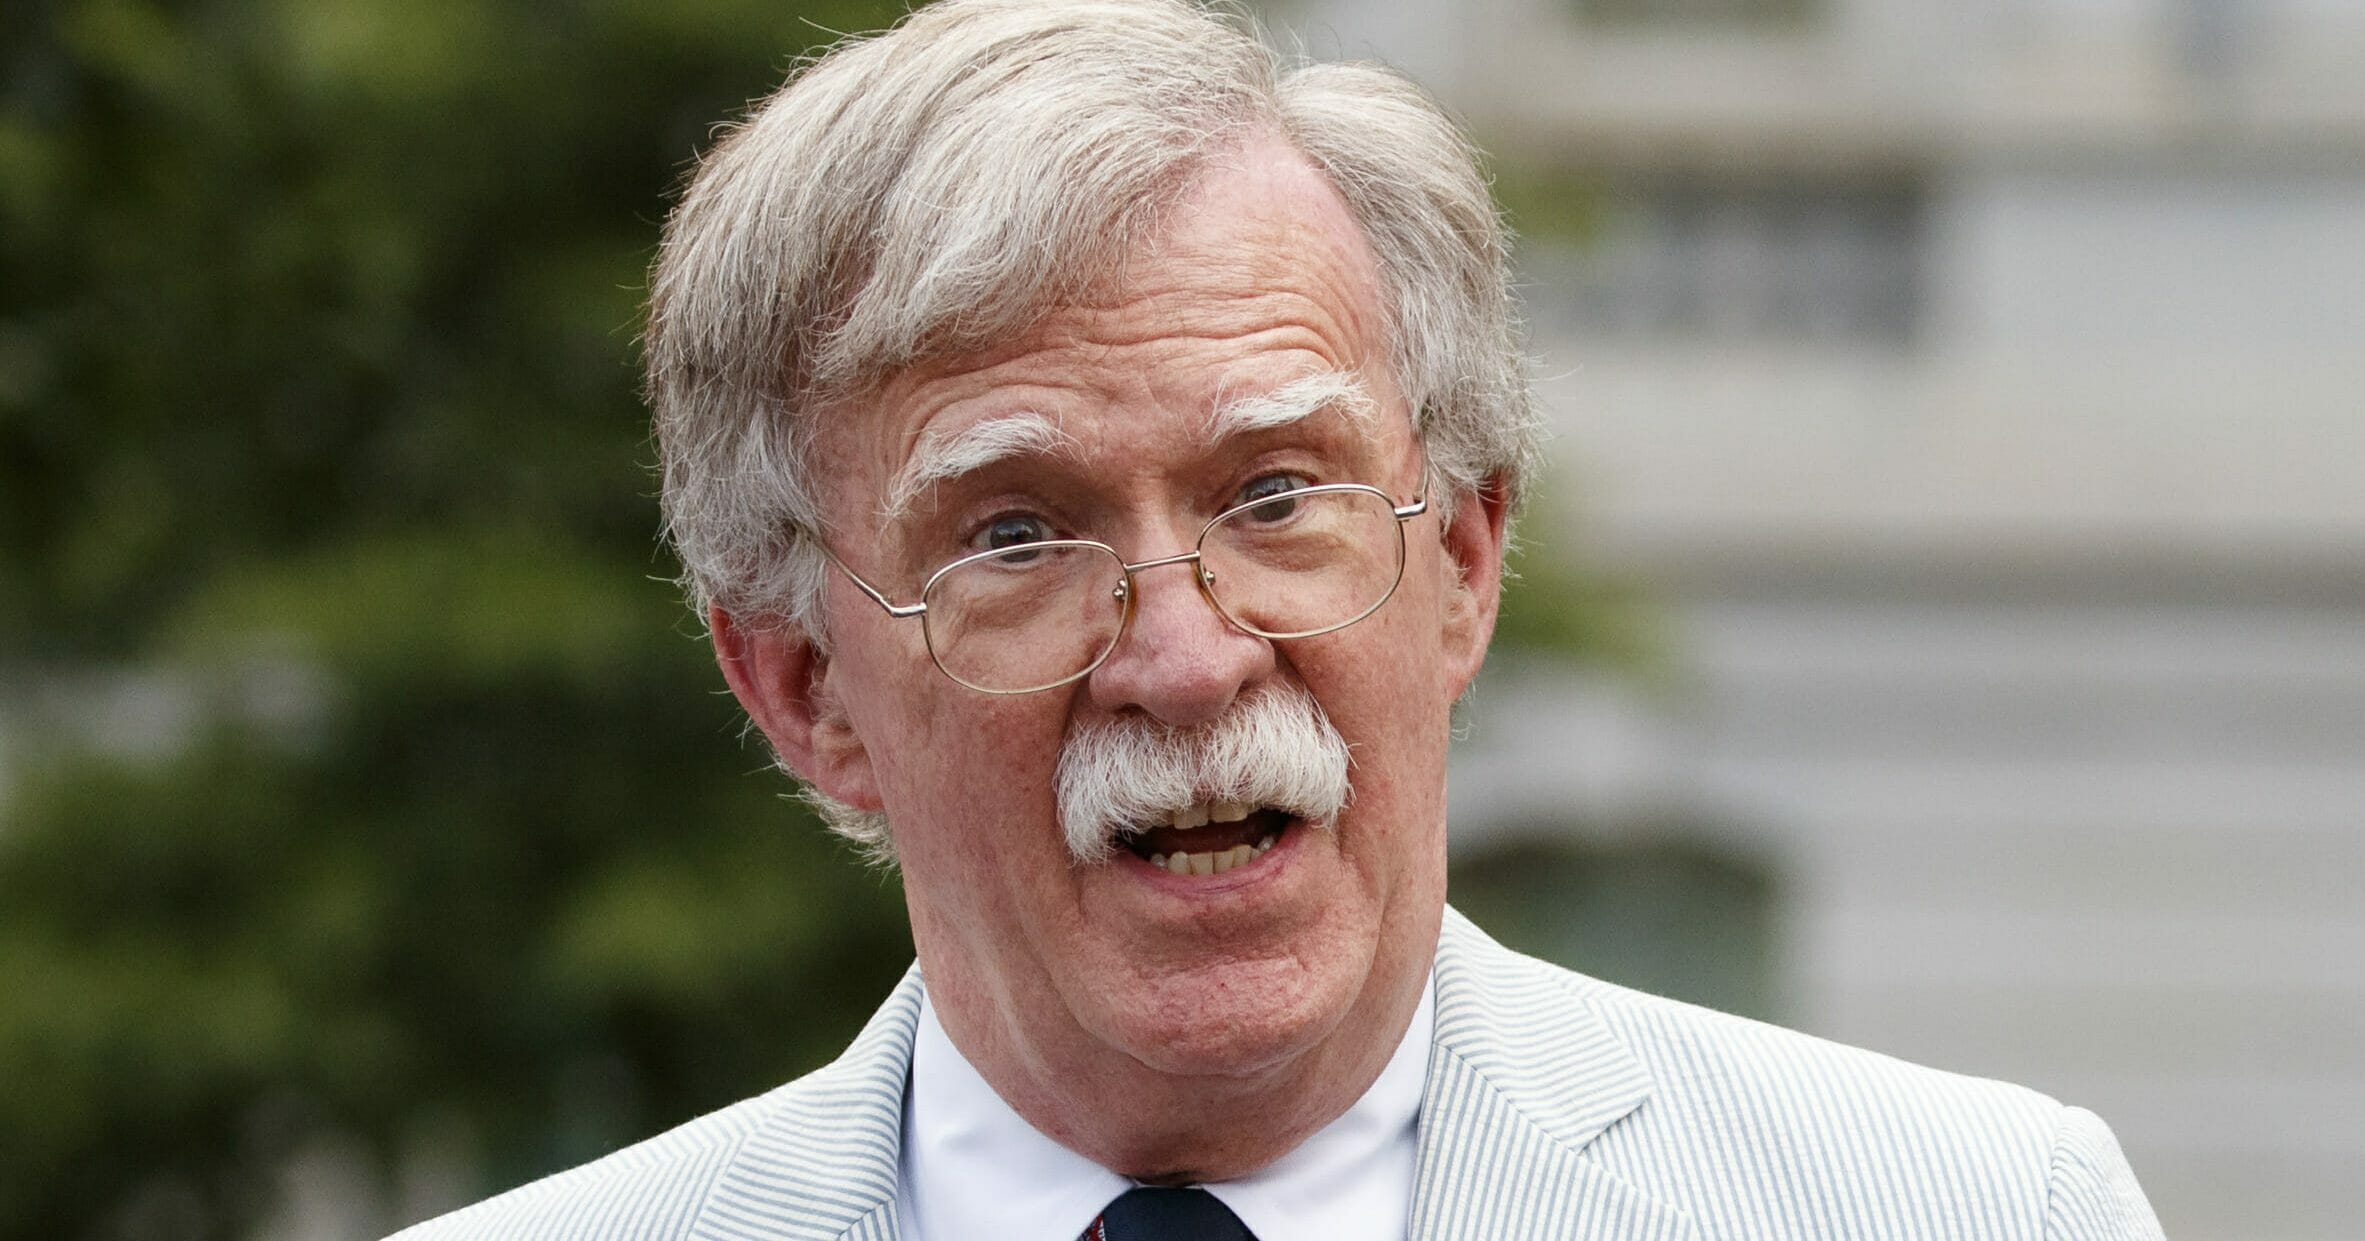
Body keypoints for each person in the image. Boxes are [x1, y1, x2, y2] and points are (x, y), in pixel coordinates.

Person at [393, 1, 2163, 1237]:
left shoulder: (1977, 1216)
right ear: (800, 688)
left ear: (1462, 565)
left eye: (1273, 497)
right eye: (1017, 535)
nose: (1183, 656)